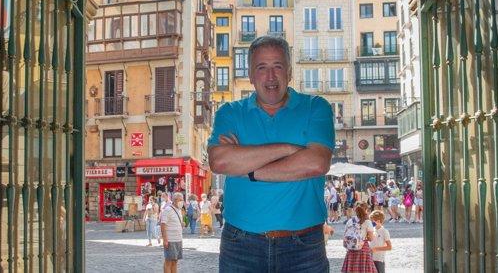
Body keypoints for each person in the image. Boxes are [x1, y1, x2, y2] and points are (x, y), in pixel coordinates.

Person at [208, 36, 334, 272]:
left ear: (289, 71)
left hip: (304, 246)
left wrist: (248, 169)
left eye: (277, 67)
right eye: (262, 68)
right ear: (251, 75)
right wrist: (287, 149)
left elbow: (316, 163)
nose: (270, 77)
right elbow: (219, 161)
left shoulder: (316, 107)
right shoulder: (229, 113)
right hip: (240, 246)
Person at [341, 204, 377, 273]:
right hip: (363, 249)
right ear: (366, 210)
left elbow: (345, 234)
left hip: (351, 248)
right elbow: (371, 238)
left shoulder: (350, 221)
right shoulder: (367, 222)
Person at [159, 192, 185, 273]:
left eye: (182, 200)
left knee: (175, 261)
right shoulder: (168, 210)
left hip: (178, 239)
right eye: (180, 200)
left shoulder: (179, 210)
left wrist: (181, 224)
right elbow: (163, 224)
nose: (182, 202)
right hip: (170, 239)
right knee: (168, 261)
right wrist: (165, 239)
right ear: (174, 200)